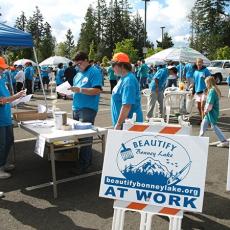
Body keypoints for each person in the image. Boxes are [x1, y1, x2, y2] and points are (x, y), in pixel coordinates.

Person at [69, 51, 102, 174]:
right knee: (78, 137)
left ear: (87, 60)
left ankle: (85, 164)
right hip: (76, 108)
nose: (78, 66)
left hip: (87, 109)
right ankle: (81, 161)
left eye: (80, 63)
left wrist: (80, 89)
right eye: (76, 64)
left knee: (85, 138)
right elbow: (76, 91)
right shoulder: (78, 75)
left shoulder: (94, 72)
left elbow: (97, 90)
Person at [0, 57, 26, 179]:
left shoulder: (1, 80)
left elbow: (6, 100)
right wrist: (15, 97)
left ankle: (3, 164)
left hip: (5, 117)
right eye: (1, 68)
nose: (3, 71)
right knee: (2, 144)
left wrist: (17, 99)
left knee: (9, 141)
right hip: (1, 119)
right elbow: (1, 101)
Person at [110, 52, 143, 129]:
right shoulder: (123, 78)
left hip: (128, 125)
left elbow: (127, 106)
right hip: (125, 124)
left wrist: (118, 124)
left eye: (113, 65)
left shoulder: (128, 81)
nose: (112, 68)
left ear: (121, 66)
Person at [199, 77, 229, 147]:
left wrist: (206, 110)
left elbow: (210, 103)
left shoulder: (212, 91)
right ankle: (200, 138)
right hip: (211, 111)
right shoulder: (212, 90)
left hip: (211, 112)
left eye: (206, 83)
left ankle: (224, 141)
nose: (205, 84)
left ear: (209, 83)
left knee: (213, 126)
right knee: (204, 124)